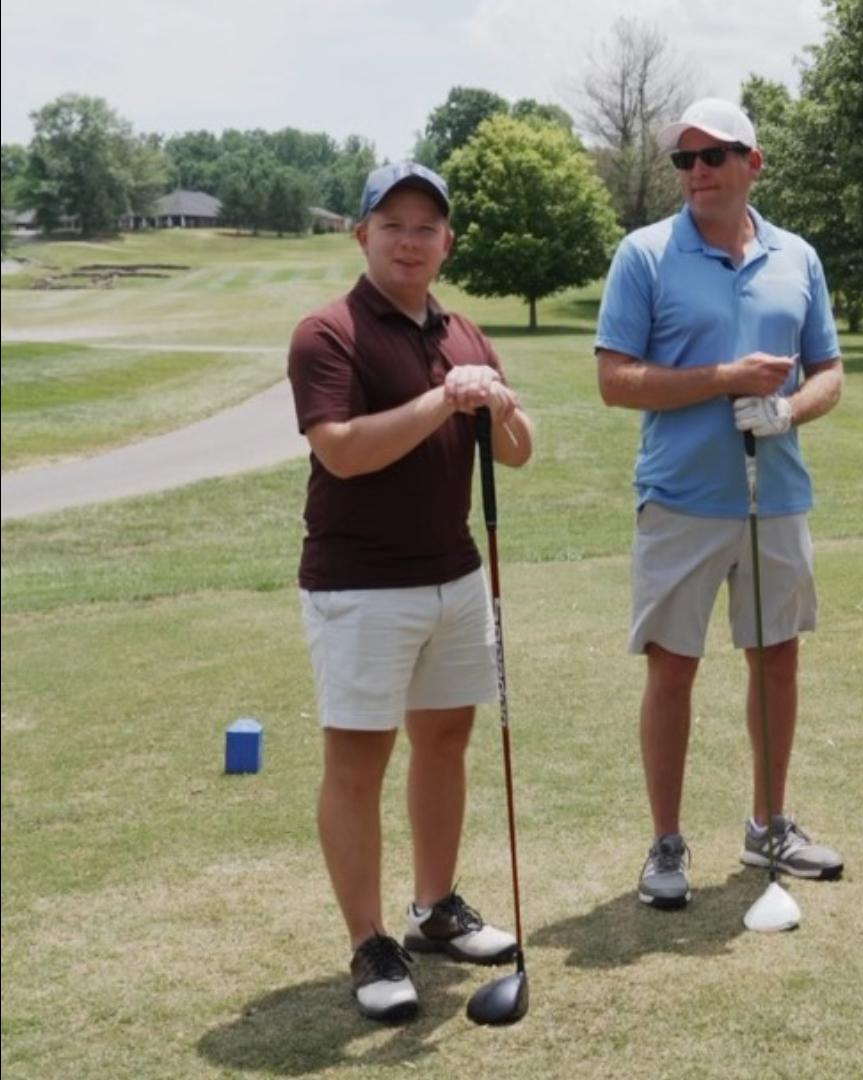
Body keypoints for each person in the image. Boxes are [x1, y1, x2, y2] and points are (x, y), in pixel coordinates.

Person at [289, 162, 537, 1022]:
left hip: (455, 576)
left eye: (425, 227)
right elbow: (342, 450)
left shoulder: (465, 331)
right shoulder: (330, 333)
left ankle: (434, 909)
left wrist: (497, 403)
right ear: (361, 234)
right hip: (360, 586)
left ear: (447, 242)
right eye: (391, 224)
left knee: (446, 741)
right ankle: (369, 944)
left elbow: (517, 452)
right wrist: (443, 401)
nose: (409, 240)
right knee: (358, 763)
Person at [594, 98, 846, 911]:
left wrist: (786, 410)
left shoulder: (796, 257)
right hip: (681, 499)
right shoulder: (645, 255)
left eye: (714, 156)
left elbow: (829, 373)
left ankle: (768, 822)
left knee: (777, 660)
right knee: (673, 668)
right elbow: (614, 379)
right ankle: (666, 843)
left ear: (753, 163)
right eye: (684, 160)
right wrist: (723, 380)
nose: (696, 172)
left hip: (775, 497)